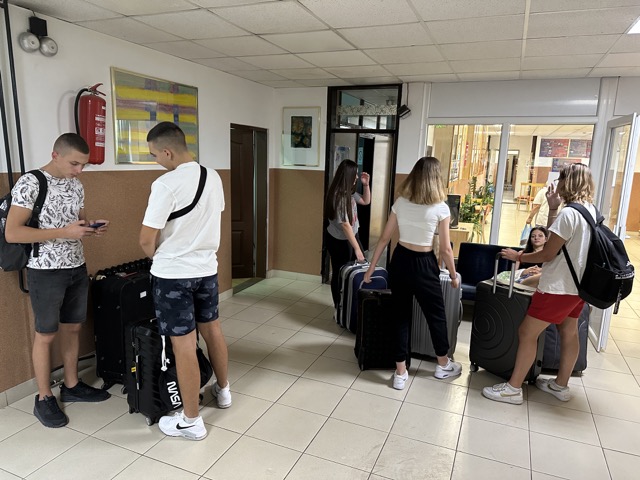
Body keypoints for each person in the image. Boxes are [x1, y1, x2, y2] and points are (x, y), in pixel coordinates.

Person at [6, 133, 111, 428]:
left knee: (73, 328)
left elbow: (77, 222)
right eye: (75, 163)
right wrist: (64, 233)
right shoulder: (31, 183)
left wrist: (91, 228)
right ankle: (43, 397)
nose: (79, 170)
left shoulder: (76, 185)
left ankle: (72, 385)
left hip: (76, 266)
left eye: (84, 165)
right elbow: (13, 233)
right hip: (45, 270)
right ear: (56, 155)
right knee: (46, 334)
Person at [139, 122, 230, 441]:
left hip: (173, 276)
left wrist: (157, 258)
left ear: (167, 151)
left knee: (184, 344)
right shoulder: (213, 176)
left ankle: (191, 421)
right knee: (213, 329)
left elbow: (146, 238)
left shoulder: (165, 184)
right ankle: (223, 390)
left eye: (154, 155)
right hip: (207, 269)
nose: (155, 161)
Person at [483, 163, 595, 405]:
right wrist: (553, 208)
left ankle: (513, 389)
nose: (559, 183)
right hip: (578, 286)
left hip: (558, 287)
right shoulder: (590, 211)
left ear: (568, 182)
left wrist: (519, 256)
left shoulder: (569, 214)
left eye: (561, 179)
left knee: (527, 332)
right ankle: (560, 385)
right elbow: (560, 242)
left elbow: (547, 253)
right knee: (569, 332)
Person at [363, 157, 462, 390]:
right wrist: (453, 275)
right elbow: (446, 249)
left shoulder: (401, 202)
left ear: (414, 175)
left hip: (400, 261)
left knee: (400, 316)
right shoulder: (441, 208)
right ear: (436, 178)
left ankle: (400, 372)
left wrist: (370, 268)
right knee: (436, 315)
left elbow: (385, 238)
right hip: (424, 264)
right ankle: (442, 364)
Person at [324, 159, 370, 312]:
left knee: (352, 270)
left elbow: (365, 201)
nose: (356, 177)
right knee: (340, 272)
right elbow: (345, 225)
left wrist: (366, 185)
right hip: (339, 240)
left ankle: (348, 305)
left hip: (351, 236)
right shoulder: (339, 196)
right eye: (355, 174)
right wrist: (356, 248)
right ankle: (339, 307)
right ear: (347, 175)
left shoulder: (349, 193)